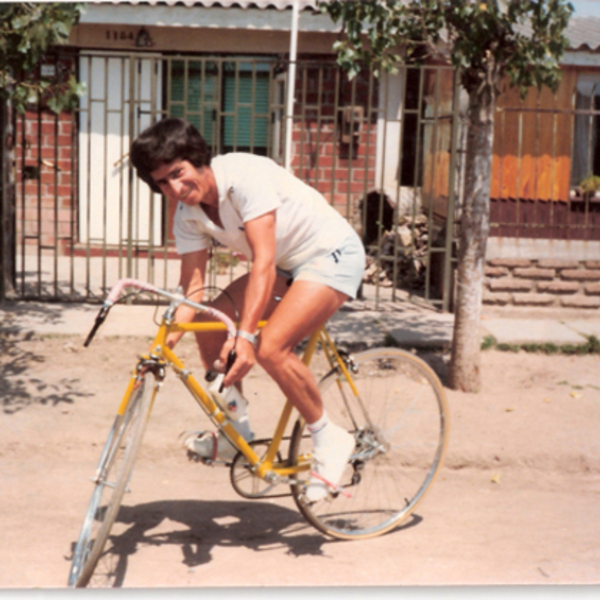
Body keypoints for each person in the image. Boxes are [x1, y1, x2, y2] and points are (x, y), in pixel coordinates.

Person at [130, 117, 365, 502]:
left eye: (178, 173)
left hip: (330, 255)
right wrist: (161, 347)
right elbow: (191, 288)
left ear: (197, 159)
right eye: (162, 182)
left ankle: (329, 436)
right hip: (288, 267)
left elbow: (263, 262)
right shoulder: (187, 215)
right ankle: (234, 431)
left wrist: (245, 335)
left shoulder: (243, 177)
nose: (175, 188)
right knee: (207, 321)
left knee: (269, 346)